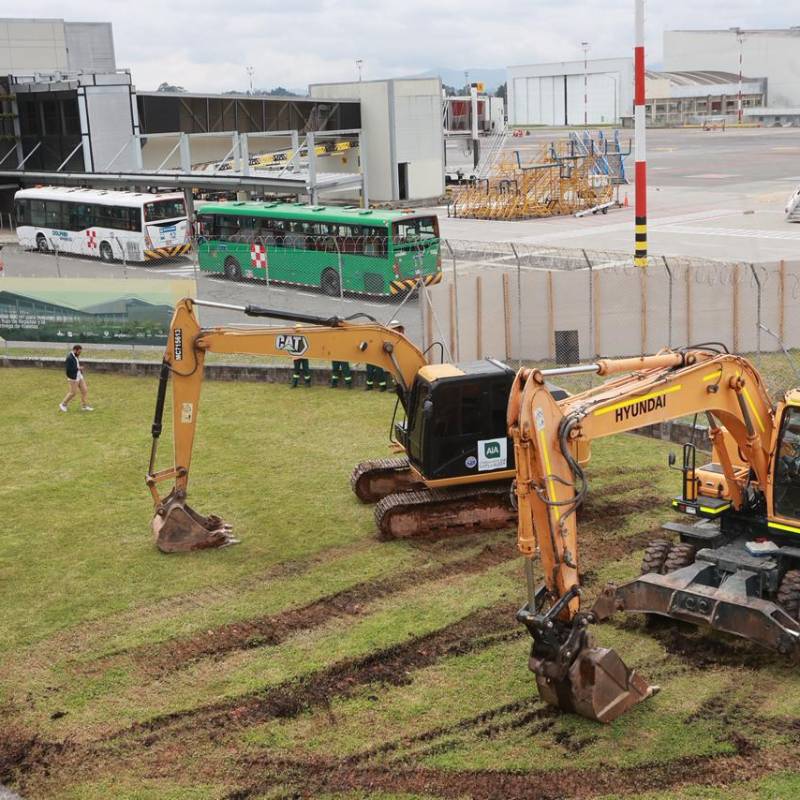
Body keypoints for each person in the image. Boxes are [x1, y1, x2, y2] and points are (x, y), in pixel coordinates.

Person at [59, 344, 93, 412]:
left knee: (84, 390)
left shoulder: (75, 356)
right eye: (79, 352)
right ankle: (63, 404)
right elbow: (69, 369)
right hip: (73, 377)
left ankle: (84, 406)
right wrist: (78, 368)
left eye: (80, 352)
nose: (80, 353)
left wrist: (79, 369)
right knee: (73, 393)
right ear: (74, 350)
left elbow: (76, 364)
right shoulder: (69, 358)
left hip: (79, 375)